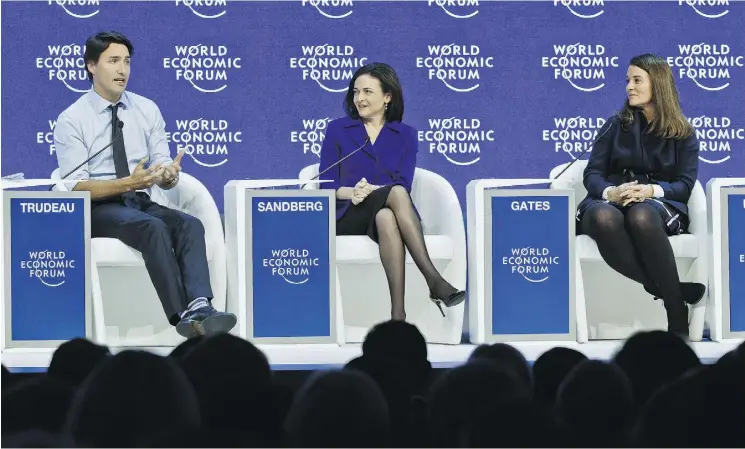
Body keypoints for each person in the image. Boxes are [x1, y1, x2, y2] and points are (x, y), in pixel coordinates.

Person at [53, 31, 236, 338]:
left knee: (190, 224)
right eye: (113, 61)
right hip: (98, 208)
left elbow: (162, 166)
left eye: (126, 61)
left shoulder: (146, 109)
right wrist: (127, 182)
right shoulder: (72, 119)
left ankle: (201, 304)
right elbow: (75, 187)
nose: (122, 69)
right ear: (91, 67)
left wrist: (168, 175)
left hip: (138, 200)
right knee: (152, 227)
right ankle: (183, 315)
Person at [318, 63, 465, 321]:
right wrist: (352, 193)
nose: (359, 98)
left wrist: (376, 190)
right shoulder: (338, 130)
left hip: (388, 212)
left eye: (367, 92)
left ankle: (398, 315)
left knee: (387, 214)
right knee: (395, 194)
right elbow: (326, 185)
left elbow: (404, 183)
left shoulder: (406, 135)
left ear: (388, 96)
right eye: (355, 92)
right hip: (349, 214)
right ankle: (434, 280)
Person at [576, 54, 705, 336]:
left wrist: (650, 191)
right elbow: (592, 174)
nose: (629, 87)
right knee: (602, 217)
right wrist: (612, 192)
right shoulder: (615, 125)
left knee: (642, 215)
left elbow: (684, 185)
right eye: (627, 81)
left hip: (658, 204)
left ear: (657, 84)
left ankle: (675, 312)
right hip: (610, 201)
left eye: (637, 80)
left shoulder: (683, 133)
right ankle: (674, 294)